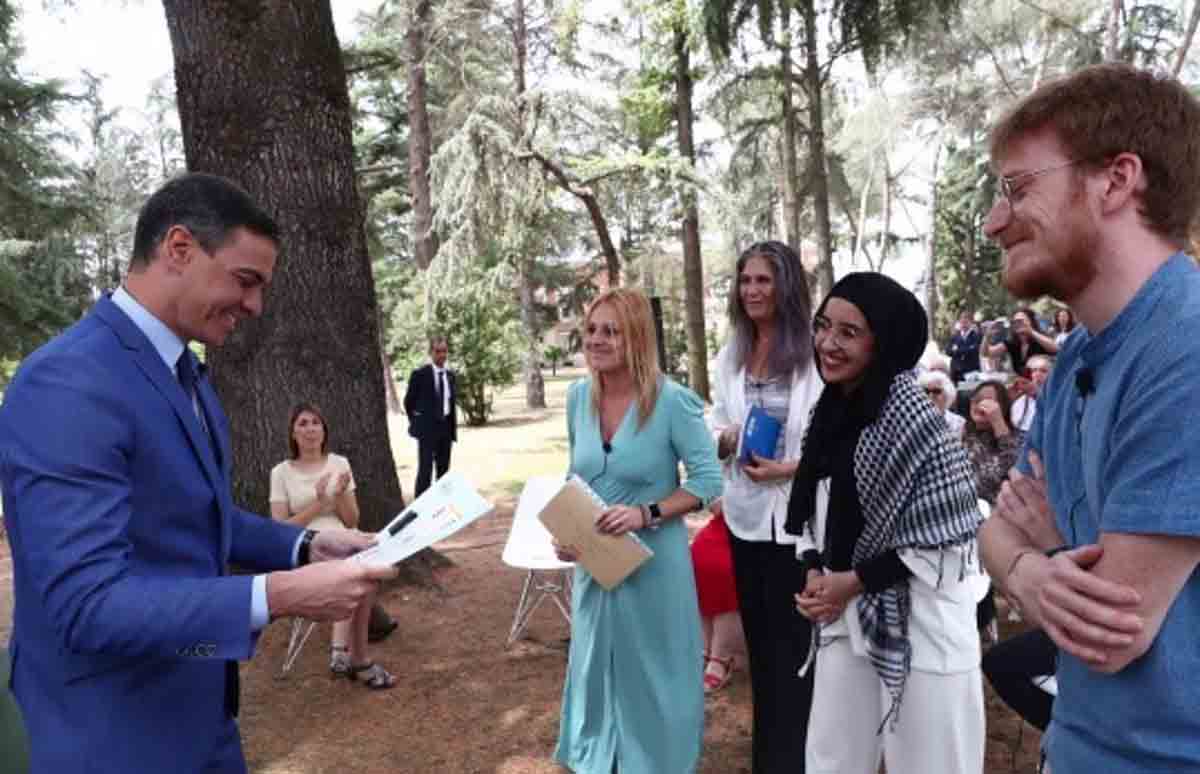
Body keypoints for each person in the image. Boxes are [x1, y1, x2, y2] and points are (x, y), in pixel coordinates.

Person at [0, 173, 396, 773]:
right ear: (179, 249)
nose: (256, 305)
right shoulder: (69, 382)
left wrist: (306, 543)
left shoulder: (186, 373)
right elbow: (87, 604)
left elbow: (193, 513)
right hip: (111, 735)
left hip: (202, 718)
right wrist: (279, 594)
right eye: (246, 281)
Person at [978, 63, 1200, 771]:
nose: (994, 221)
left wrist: (1028, 559)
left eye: (1017, 188)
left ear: (1116, 179)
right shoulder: (1078, 354)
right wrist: (1034, 564)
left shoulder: (1186, 349)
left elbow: (1110, 631)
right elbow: (996, 524)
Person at [788, 272, 985, 774]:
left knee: (932, 764)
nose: (828, 343)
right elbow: (814, 509)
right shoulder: (830, 411)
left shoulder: (916, 424)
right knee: (832, 761)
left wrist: (852, 582)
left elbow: (947, 535)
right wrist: (815, 570)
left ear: (884, 342)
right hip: (844, 613)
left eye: (849, 333)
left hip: (920, 622)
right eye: (824, 326)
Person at [551, 288, 722, 774]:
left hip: (654, 566)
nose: (597, 341)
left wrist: (646, 513)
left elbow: (709, 482)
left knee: (654, 674)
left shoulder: (671, 401)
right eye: (591, 331)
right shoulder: (578, 397)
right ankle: (598, 758)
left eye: (611, 331)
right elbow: (576, 474)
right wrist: (569, 531)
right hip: (596, 566)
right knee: (595, 670)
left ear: (637, 338)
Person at [709, 240, 823, 774]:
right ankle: (770, 761)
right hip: (746, 520)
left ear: (785, 286)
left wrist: (790, 469)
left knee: (797, 650)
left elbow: (833, 438)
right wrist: (726, 438)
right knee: (761, 649)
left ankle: (803, 759)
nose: (752, 290)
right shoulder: (731, 352)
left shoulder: (813, 353)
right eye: (746, 280)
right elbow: (712, 420)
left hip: (799, 526)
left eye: (763, 280)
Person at [269, 402, 395, 688]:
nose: (310, 428)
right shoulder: (281, 472)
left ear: (324, 430)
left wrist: (338, 496)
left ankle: (345, 655)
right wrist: (319, 504)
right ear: (292, 432)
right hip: (304, 546)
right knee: (354, 571)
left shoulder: (340, 463)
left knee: (366, 564)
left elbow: (352, 520)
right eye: (303, 423)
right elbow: (278, 530)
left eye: (316, 422)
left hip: (345, 540)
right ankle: (348, 656)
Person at [689, 498, 746, 694]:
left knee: (727, 570)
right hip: (725, 523)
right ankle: (705, 649)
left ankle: (721, 657)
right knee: (700, 557)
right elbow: (713, 502)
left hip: (757, 529)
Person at [403, 336, 457, 498]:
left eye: (444, 351)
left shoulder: (450, 376)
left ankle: (442, 508)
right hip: (427, 430)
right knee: (425, 471)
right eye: (438, 351)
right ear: (431, 352)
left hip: (445, 429)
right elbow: (409, 402)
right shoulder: (420, 374)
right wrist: (418, 422)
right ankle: (420, 511)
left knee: (443, 472)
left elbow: (450, 403)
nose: (442, 355)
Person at [983, 307, 1057, 376]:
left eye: (1021, 321)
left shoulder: (1040, 337)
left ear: (1031, 322)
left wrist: (1030, 331)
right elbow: (987, 353)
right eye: (1015, 321)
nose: (1018, 324)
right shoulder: (1012, 342)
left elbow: (1055, 349)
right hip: (1021, 385)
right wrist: (987, 337)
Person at [1009, 354, 1052, 433]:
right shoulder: (1019, 399)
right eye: (1034, 370)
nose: (1037, 374)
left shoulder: (1059, 401)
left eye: (1044, 371)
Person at [917, 369, 966, 436]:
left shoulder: (958, 423)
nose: (930, 396)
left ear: (947, 394)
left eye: (936, 391)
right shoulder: (914, 419)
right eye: (926, 391)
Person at [947, 309, 982, 383]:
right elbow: (948, 351)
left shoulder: (976, 336)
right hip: (955, 373)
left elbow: (974, 350)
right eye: (962, 320)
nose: (963, 322)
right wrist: (966, 349)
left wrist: (956, 351)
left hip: (971, 373)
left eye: (966, 320)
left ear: (971, 322)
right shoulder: (955, 336)